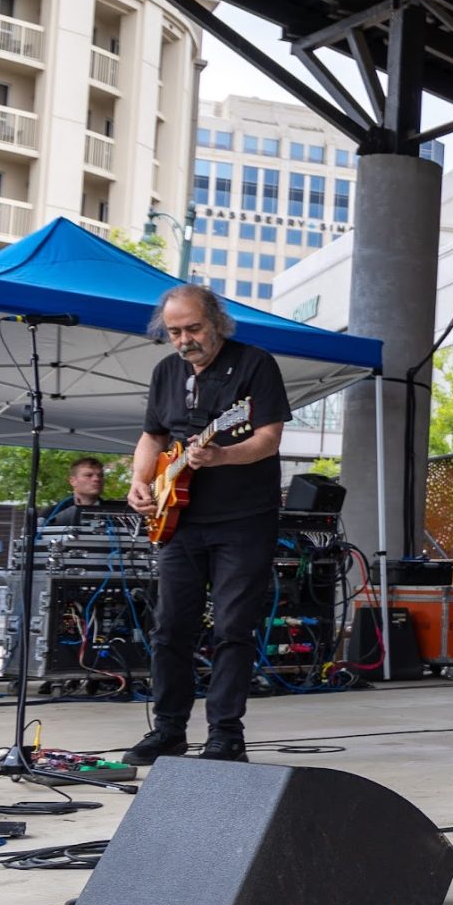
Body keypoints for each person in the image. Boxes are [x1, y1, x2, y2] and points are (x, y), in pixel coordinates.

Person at [124, 285, 290, 764]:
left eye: (193, 328)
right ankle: (168, 730)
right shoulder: (166, 372)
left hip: (243, 519)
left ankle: (225, 735)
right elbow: (153, 435)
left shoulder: (255, 364)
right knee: (169, 628)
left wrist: (222, 456)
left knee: (232, 628)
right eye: (174, 332)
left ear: (217, 321)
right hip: (179, 520)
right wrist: (140, 481)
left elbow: (268, 439)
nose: (184, 340)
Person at [40, 456, 112, 529]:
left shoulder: (114, 512)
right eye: (88, 475)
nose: (97, 479)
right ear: (72, 481)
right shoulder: (52, 513)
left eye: (100, 475)